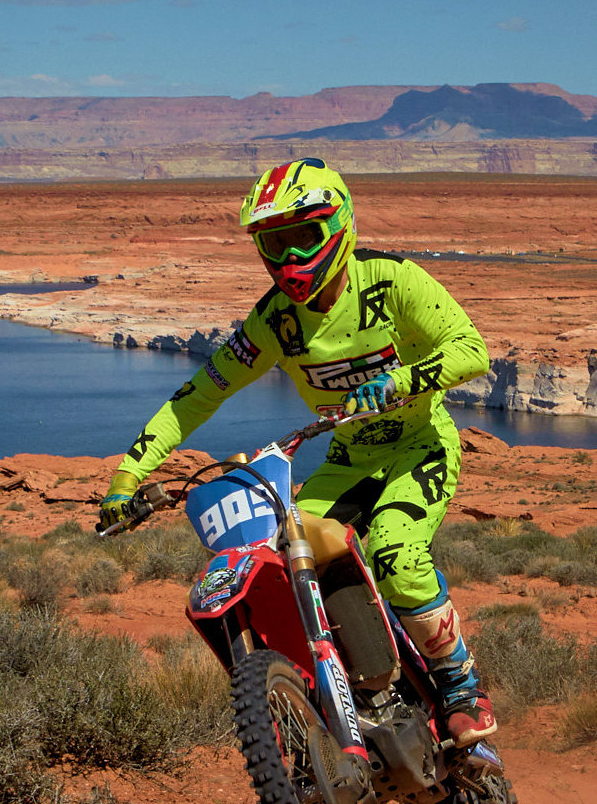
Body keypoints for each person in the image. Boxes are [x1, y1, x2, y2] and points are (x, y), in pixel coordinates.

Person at [101, 158, 498, 747]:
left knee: (395, 549)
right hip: (351, 455)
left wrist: (401, 382)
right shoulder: (273, 323)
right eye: (273, 242)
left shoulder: (391, 282)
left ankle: (460, 684)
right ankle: (355, 693)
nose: (288, 258)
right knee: (292, 553)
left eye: (301, 237)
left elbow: (472, 351)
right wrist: (127, 476)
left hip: (421, 444)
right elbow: (198, 394)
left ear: (338, 226)